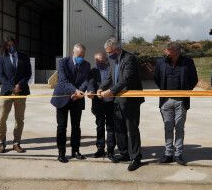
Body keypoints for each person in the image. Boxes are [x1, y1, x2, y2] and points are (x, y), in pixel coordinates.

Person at [98, 38, 144, 171]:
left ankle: (136, 157)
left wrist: (111, 91)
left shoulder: (130, 58)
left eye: (110, 52)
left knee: (132, 129)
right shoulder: (112, 60)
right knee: (119, 129)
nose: (108, 55)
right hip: (118, 100)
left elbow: (126, 79)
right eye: (107, 53)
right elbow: (110, 77)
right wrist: (101, 87)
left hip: (131, 101)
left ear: (116, 49)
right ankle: (124, 153)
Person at [154, 42, 198, 165]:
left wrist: (184, 92)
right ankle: (168, 154)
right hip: (165, 101)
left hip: (181, 101)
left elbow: (194, 79)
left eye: (168, 52)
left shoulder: (188, 62)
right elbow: (156, 78)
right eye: (166, 52)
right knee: (168, 127)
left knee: (179, 128)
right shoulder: (160, 62)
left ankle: (178, 154)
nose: (166, 54)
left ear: (176, 52)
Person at [51, 43, 90, 163]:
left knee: (76, 127)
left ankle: (76, 151)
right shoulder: (62, 62)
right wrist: (75, 90)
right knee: (62, 127)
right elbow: (63, 80)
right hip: (63, 97)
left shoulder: (86, 64)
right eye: (79, 55)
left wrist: (80, 92)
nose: (81, 58)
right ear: (73, 52)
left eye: (83, 55)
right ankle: (61, 153)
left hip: (77, 99)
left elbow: (86, 81)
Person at [0, 37, 31, 154]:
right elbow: (0, 76)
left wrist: (19, 85)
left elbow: (28, 73)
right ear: (5, 46)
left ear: (16, 44)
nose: (10, 47)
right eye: (8, 45)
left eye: (12, 45)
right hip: (7, 91)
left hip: (21, 91)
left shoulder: (24, 57)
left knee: (19, 119)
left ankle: (16, 143)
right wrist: (12, 87)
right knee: (1, 118)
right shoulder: (2, 58)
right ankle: (2, 142)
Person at [87, 51, 116, 161]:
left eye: (101, 61)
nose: (98, 63)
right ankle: (100, 148)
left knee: (110, 126)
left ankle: (111, 150)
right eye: (97, 61)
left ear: (106, 60)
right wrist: (90, 91)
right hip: (98, 103)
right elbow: (90, 83)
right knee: (99, 126)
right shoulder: (93, 71)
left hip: (110, 102)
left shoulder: (112, 70)